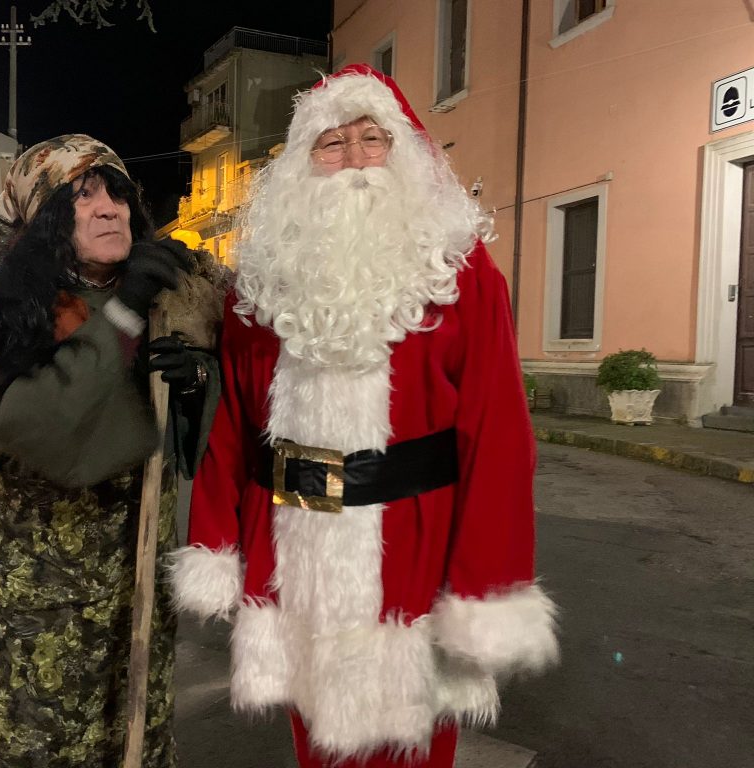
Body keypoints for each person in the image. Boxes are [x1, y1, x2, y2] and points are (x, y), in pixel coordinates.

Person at [169, 65, 559, 768]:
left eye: (371, 138)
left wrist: (485, 583)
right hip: (293, 557)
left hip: (417, 553)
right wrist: (217, 542)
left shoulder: (464, 274)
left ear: (403, 152)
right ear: (301, 163)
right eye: (332, 142)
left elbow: (499, 439)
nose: (353, 157)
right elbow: (230, 433)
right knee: (315, 742)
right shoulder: (261, 285)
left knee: (411, 745)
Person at [0, 135, 226, 767]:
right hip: (43, 601)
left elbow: (197, 438)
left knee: (130, 737)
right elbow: (32, 430)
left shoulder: (172, 299)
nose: (108, 208)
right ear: (45, 221)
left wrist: (193, 380)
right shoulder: (2, 307)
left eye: (116, 194)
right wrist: (122, 317)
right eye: (82, 196)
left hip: (136, 585)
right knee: (44, 747)